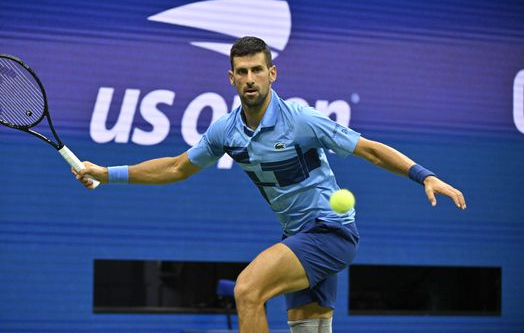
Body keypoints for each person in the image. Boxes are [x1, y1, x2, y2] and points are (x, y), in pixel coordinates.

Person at [73, 36, 466, 333]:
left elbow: (370, 151)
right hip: (298, 235)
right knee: (308, 327)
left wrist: (424, 175)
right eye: (241, 72)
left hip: (330, 232)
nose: (250, 79)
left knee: (247, 290)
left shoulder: (300, 120)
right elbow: (176, 168)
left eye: (257, 70)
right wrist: (106, 174)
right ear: (231, 78)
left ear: (271, 73)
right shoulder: (226, 131)